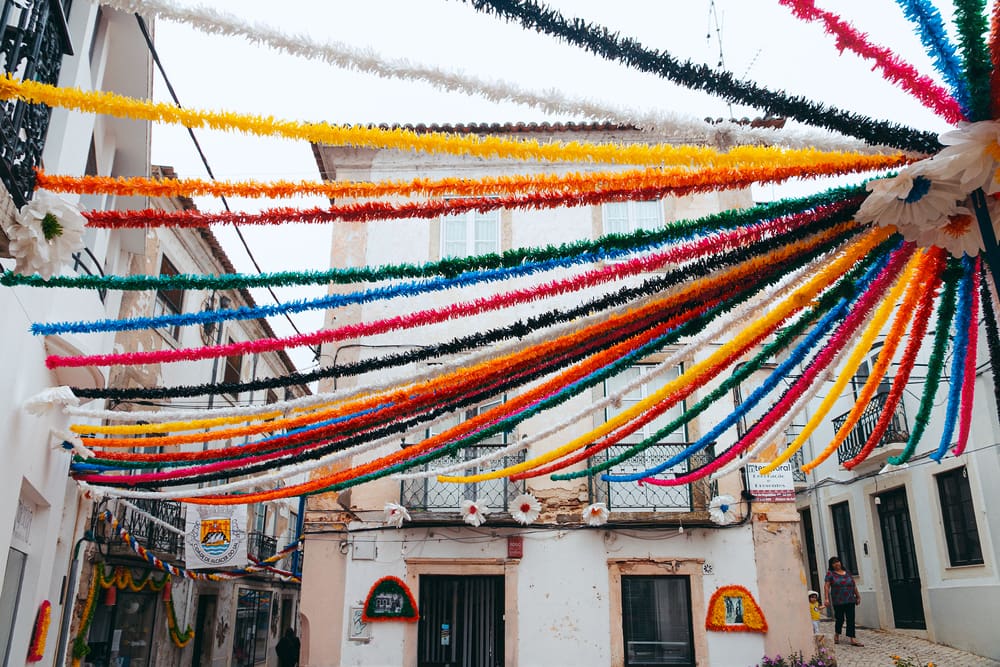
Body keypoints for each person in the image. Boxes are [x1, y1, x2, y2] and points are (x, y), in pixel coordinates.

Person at [824, 555, 863, 647]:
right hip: (838, 600)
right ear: (832, 565)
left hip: (850, 599)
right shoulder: (830, 574)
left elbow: (853, 585)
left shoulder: (848, 573)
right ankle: (837, 634)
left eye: (837, 561)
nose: (836, 564)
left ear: (840, 562)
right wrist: (826, 598)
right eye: (834, 563)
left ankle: (852, 638)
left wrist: (858, 596)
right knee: (840, 619)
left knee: (851, 619)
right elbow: (826, 586)